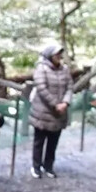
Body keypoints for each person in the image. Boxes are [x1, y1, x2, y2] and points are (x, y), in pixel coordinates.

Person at [29, 44, 73, 178]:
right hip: (43, 112)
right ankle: (36, 166)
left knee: (53, 142)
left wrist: (65, 102)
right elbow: (41, 88)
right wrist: (55, 104)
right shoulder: (41, 68)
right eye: (56, 54)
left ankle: (48, 166)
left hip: (59, 114)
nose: (59, 56)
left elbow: (70, 86)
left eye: (60, 53)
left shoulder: (65, 69)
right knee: (39, 141)